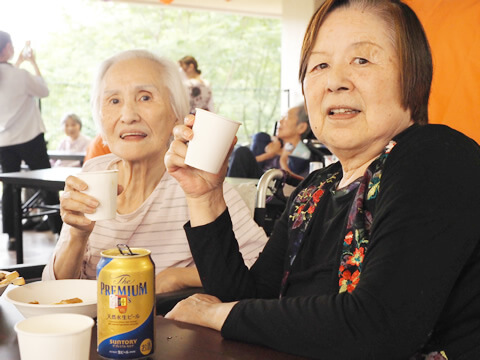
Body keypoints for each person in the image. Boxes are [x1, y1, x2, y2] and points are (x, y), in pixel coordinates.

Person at [163, 0, 480, 358]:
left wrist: (217, 313)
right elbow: (249, 302)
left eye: (362, 60)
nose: (335, 81)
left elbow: (378, 326)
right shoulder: (316, 189)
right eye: (320, 65)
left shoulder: (437, 156)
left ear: (414, 76)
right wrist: (204, 194)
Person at [42, 50, 267, 295]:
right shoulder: (95, 171)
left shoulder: (198, 184)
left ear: (175, 112)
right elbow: (55, 291)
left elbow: (261, 270)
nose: (128, 116)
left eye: (146, 97)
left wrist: (177, 277)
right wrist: (77, 235)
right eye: (114, 101)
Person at [0, 31, 62, 247]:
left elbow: (8, 78)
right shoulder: (21, 75)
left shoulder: (12, 74)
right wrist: (33, 63)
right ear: (7, 48)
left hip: (4, 142)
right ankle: (59, 230)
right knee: (46, 182)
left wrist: (18, 62)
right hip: (29, 136)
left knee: (9, 186)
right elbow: (43, 91)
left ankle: (12, 236)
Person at [227, 104, 312, 180]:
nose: (280, 121)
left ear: (301, 127)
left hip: (273, 188)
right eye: (281, 117)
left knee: (242, 152)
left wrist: (283, 159)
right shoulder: (275, 146)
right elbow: (244, 165)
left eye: (286, 117)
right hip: (261, 182)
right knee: (255, 140)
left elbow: (293, 183)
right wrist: (269, 155)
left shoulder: (302, 152)